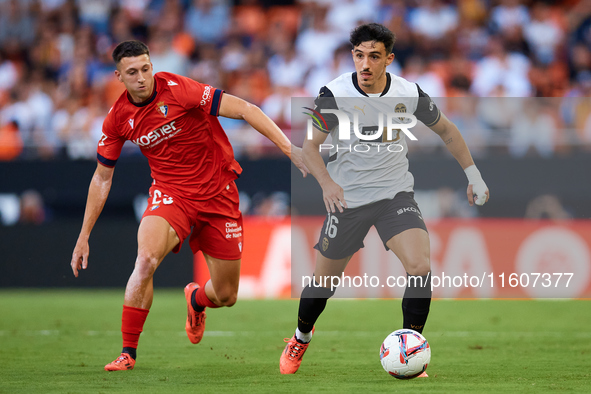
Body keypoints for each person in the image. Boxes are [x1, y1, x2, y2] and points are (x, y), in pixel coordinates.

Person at [70, 40, 308, 371]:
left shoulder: (179, 89)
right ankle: (128, 352)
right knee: (146, 259)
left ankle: (196, 299)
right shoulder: (117, 119)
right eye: (132, 72)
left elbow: (245, 109)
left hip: (218, 193)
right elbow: (101, 178)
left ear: (152, 65)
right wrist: (84, 235)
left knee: (226, 296)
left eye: (145, 68)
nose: (142, 78)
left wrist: (288, 148)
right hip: (171, 195)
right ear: (119, 77)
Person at [279, 23, 489, 376]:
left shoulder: (409, 93)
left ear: (388, 59)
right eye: (359, 55)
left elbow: (448, 131)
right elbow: (311, 147)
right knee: (323, 284)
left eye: (374, 57)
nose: (365, 64)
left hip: (394, 195)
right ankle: (300, 337)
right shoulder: (334, 94)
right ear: (353, 57)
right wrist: (327, 183)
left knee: (420, 267)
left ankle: (410, 348)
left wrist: (473, 174)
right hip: (347, 199)